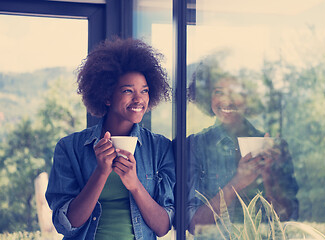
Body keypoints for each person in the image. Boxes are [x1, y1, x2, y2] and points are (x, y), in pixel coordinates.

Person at [45, 37, 175, 240]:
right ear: (106, 96)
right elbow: (66, 225)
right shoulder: (69, 148)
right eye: (127, 91)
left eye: (145, 91)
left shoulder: (160, 148)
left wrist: (134, 184)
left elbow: (163, 227)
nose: (139, 99)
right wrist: (101, 172)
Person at [186, 58, 299, 235]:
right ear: (208, 96)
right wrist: (237, 182)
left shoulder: (275, 146)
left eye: (235, 92)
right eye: (219, 92)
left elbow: (287, 220)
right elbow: (194, 225)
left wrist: (269, 176)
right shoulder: (195, 146)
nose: (227, 100)